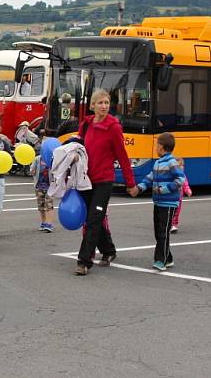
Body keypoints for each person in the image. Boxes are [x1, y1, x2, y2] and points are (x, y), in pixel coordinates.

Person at [75, 89, 138, 276]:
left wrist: (130, 182)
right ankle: (109, 250)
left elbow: (122, 156)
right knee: (93, 218)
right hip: (86, 179)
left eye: (107, 102)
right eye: (100, 103)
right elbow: (78, 148)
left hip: (104, 180)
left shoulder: (114, 127)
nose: (104, 106)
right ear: (92, 105)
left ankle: (84, 261)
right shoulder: (85, 125)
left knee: (94, 219)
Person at [132, 132, 186, 271]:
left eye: (157, 145)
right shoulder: (157, 163)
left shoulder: (172, 162)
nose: (156, 147)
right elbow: (150, 178)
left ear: (161, 147)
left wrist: (164, 189)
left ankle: (160, 260)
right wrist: (139, 188)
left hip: (168, 203)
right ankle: (168, 258)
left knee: (163, 232)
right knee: (158, 232)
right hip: (158, 202)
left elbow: (180, 180)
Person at [170, 157, 192, 233]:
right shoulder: (171, 176)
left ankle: (174, 225)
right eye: (179, 167)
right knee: (169, 210)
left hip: (179, 197)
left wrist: (188, 190)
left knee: (177, 211)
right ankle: (168, 223)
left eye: (182, 166)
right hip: (170, 197)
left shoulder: (183, 176)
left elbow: (185, 184)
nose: (182, 168)